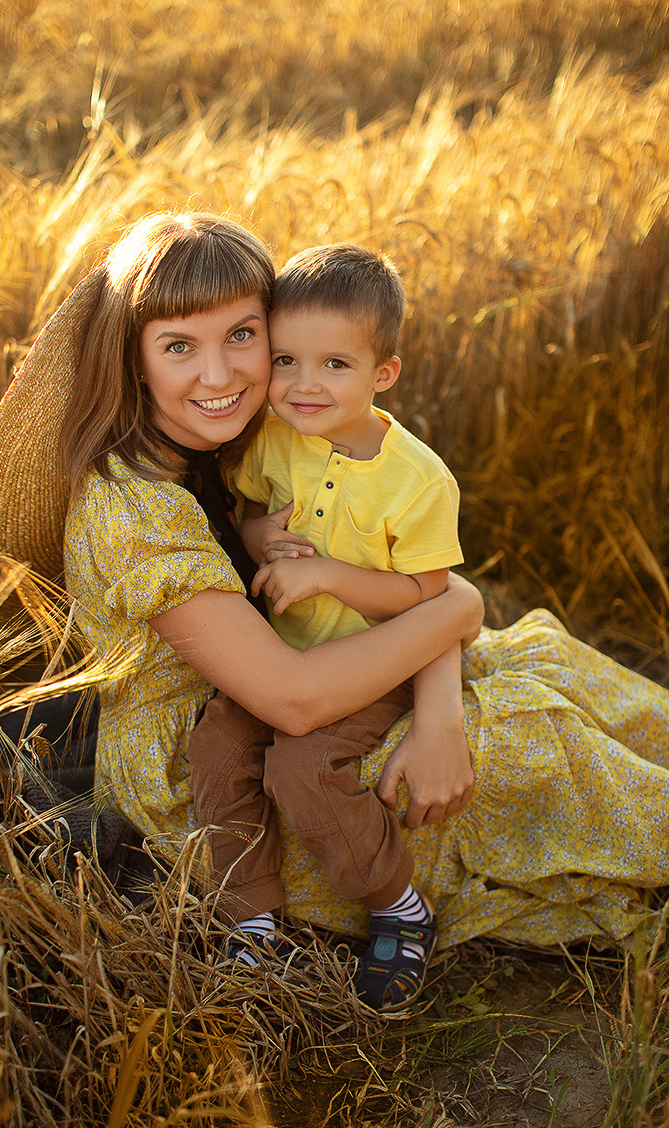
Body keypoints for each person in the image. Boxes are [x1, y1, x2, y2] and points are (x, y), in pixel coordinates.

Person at [0, 211, 669, 1014]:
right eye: (179, 345)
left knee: (540, 693)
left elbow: (409, 587)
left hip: (319, 668)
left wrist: (439, 717)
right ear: (134, 360)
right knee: (528, 759)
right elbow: (303, 690)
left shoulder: (246, 440)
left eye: (244, 336)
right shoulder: (134, 513)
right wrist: (456, 609)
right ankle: (292, 918)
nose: (219, 374)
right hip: (215, 761)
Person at [188, 244, 464, 1009]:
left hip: (371, 662)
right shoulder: (274, 438)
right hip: (282, 652)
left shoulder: (417, 480)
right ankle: (251, 918)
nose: (305, 385)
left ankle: (397, 905)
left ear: (384, 375)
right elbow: (244, 517)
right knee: (216, 742)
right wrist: (258, 543)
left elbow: (429, 596)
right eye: (286, 361)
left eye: (335, 366)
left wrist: (330, 576)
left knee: (301, 769)